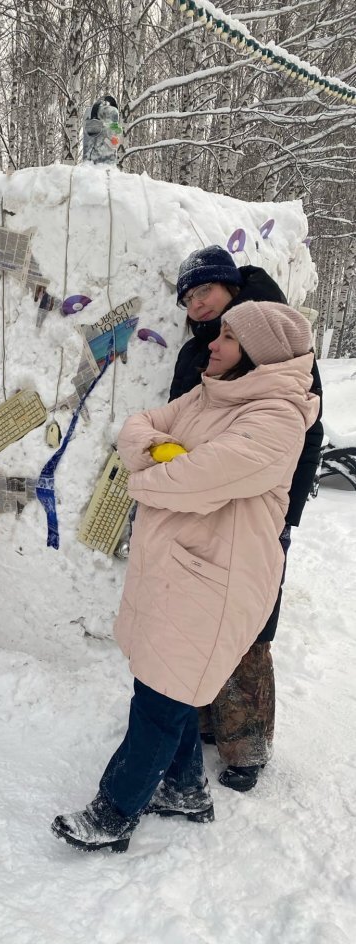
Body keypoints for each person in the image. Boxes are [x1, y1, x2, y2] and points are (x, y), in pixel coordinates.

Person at [51, 301, 320, 852]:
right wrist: (162, 451)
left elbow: (195, 481)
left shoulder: (277, 417)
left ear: (259, 354)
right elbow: (138, 426)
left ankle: (113, 812)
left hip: (217, 577)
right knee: (162, 682)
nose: (212, 344)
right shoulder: (210, 393)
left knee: (161, 700)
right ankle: (185, 790)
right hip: (177, 567)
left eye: (228, 337)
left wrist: (144, 475)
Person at [171, 246, 324, 791]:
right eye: (188, 298)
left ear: (230, 285)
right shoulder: (197, 350)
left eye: (204, 290)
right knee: (202, 615)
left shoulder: (272, 337)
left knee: (250, 623)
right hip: (205, 504)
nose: (197, 303)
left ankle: (247, 746)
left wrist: (286, 514)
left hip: (259, 510)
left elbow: (308, 433)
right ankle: (206, 720)